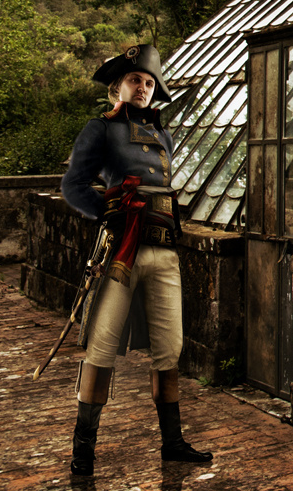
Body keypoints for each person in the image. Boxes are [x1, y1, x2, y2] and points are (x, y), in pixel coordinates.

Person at [59, 44, 212, 476]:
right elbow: (73, 186)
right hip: (122, 251)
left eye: (148, 83)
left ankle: (173, 443)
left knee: (171, 347)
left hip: (164, 250)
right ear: (116, 88)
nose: (142, 88)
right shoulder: (101, 129)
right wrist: (108, 207)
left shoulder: (163, 135)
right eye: (134, 81)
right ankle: (83, 451)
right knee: (102, 345)